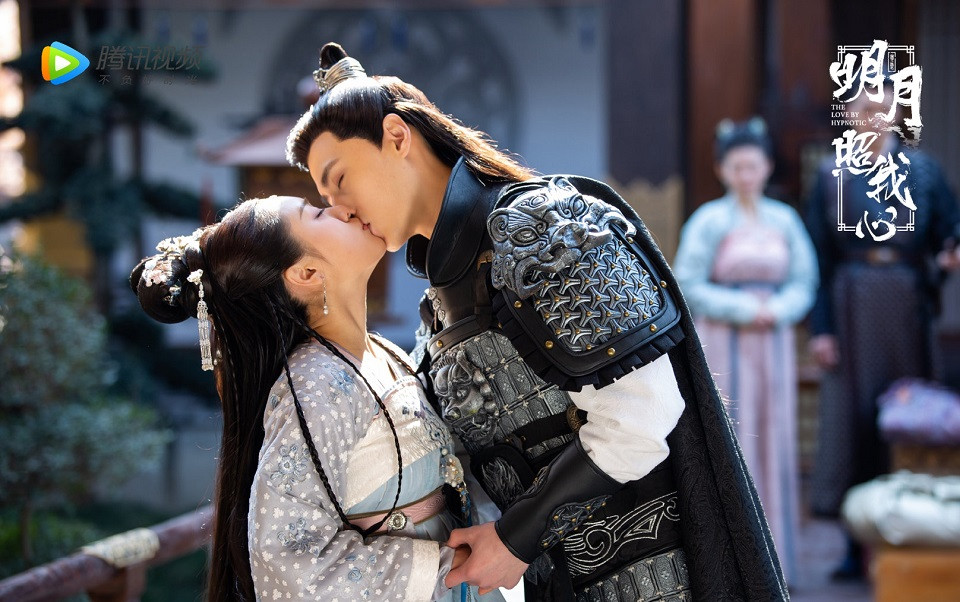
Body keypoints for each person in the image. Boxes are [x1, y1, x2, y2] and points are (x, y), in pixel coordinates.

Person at [285, 42, 787, 600]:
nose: (340, 209)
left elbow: (646, 412)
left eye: (339, 179)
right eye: (323, 197)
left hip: (651, 578)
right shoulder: (437, 304)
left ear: (397, 137)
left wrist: (515, 538)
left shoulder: (540, 228)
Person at [130, 196, 506, 601]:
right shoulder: (316, 384)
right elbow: (289, 560)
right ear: (306, 273)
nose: (343, 208)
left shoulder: (381, 352)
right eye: (316, 214)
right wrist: (451, 563)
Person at [805, 85, 960, 579]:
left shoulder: (925, 171)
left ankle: (915, 533)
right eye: (865, 108)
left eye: (884, 107)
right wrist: (822, 330)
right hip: (851, 306)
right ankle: (855, 546)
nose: (874, 116)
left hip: (907, 306)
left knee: (910, 416)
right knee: (852, 424)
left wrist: (949, 256)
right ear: (849, 114)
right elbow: (817, 261)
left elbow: (949, 231)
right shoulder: (830, 176)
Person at [673, 117, 818, 583]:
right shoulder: (709, 220)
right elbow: (687, 281)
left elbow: (805, 280)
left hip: (773, 342)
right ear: (722, 170)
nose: (745, 175)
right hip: (724, 340)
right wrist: (743, 308)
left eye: (753, 166)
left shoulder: (785, 220)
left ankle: (778, 562)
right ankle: (733, 567)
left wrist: (777, 310)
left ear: (767, 167)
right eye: (736, 167)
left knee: (775, 434)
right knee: (731, 433)